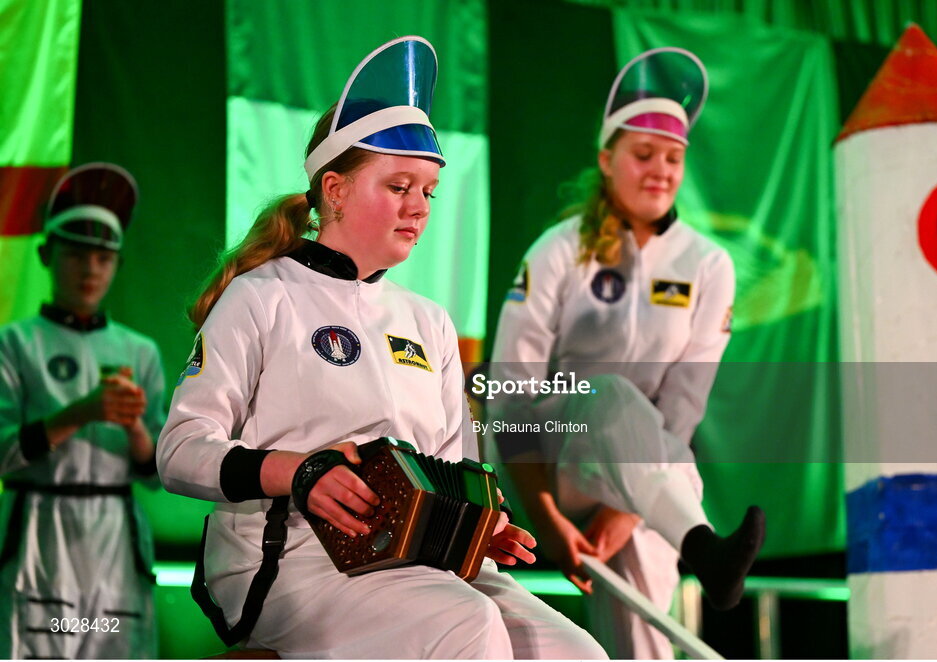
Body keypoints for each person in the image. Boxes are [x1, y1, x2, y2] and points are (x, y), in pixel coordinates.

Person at [157, 36, 606, 659]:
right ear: (334, 190)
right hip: (292, 561)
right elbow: (178, 452)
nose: (418, 208)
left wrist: (480, 529)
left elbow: (454, 469)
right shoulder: (261, 297)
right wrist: (303, 471)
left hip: (420, 560)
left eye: (428, 192)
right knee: (466, 627)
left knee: (574, 651)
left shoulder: (430, 322)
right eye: (399, 186)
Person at [487, 47, 766, 658]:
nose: (661, 170)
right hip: (549, 459)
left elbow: (683, 408)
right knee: (609, 394)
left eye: (674, 158)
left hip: (644, 488)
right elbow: (508, 393)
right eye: (644, 155)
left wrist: (631, 512)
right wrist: (547, 518)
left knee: (646, 643)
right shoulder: (560, 250)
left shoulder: (708, 264)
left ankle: (696, 546)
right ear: (606, 159)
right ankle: (704, 547)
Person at [0, 163, 163, 658]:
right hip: (38, 533)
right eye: (76, 255)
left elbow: (158, 472)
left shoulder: (139, 351)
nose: (90, 270)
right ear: (48, 255)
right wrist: (81, 412)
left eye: (103, 258)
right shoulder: (15, 343)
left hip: (116, 538)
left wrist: (134, 426)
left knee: (113, 647)